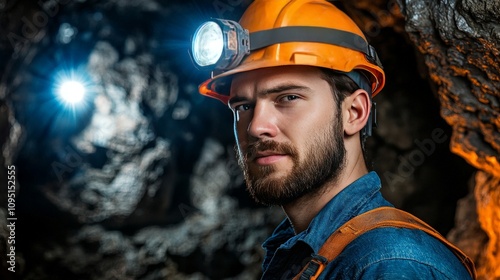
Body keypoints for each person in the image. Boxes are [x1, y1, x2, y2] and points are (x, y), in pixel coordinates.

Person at [191, 0, 475, 279]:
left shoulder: (390, 265)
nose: (256, 127)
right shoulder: (303, 251)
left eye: (288, 98)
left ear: (354, 112)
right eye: (243, 107)